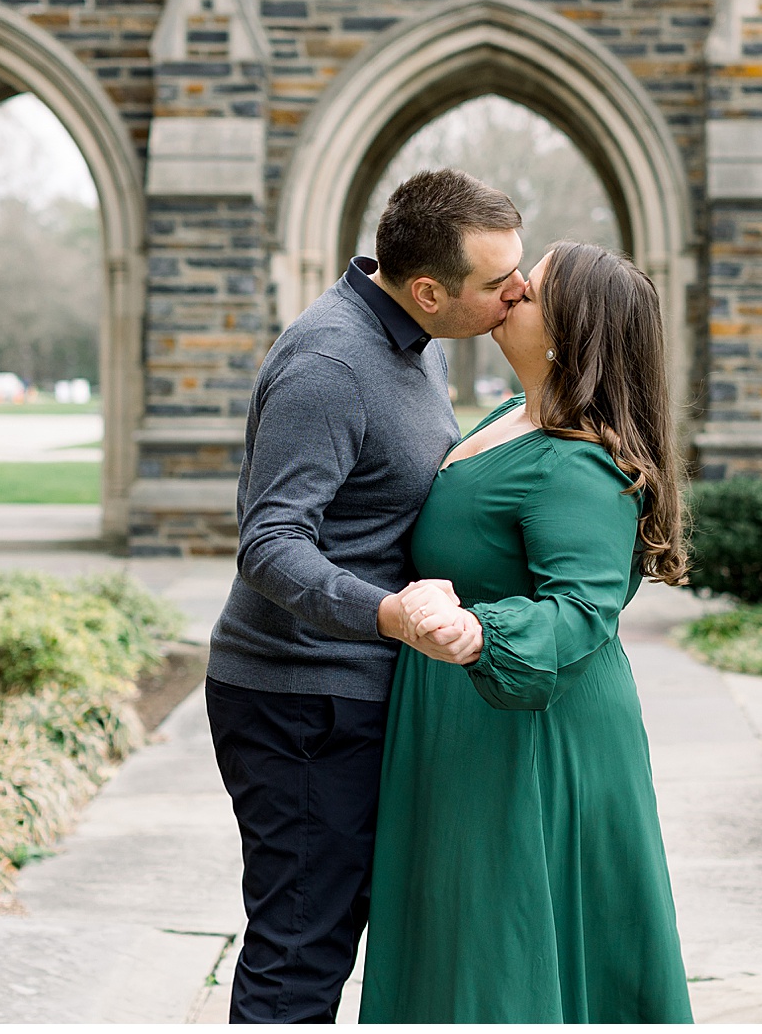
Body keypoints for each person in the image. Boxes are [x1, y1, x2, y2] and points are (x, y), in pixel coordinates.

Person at [204, 169, 524, 1023]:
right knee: (301, 945)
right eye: (498, 283)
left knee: (335, 926)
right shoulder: (331, 363)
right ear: (428, 289)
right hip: (298, 701)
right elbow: (269, 545)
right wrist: (387, 613)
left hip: (359, 691)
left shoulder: (420, 342)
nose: (517, 292)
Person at [360, 241, 695, 1024]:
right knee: (459, 940)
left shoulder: (579, 463)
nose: (510, 290)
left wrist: (477, 632)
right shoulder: (515, 413)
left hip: (529, 736)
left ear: (570, 333)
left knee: (502, 948)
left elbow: (582, 611)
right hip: (466, 723)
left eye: (532, 290)